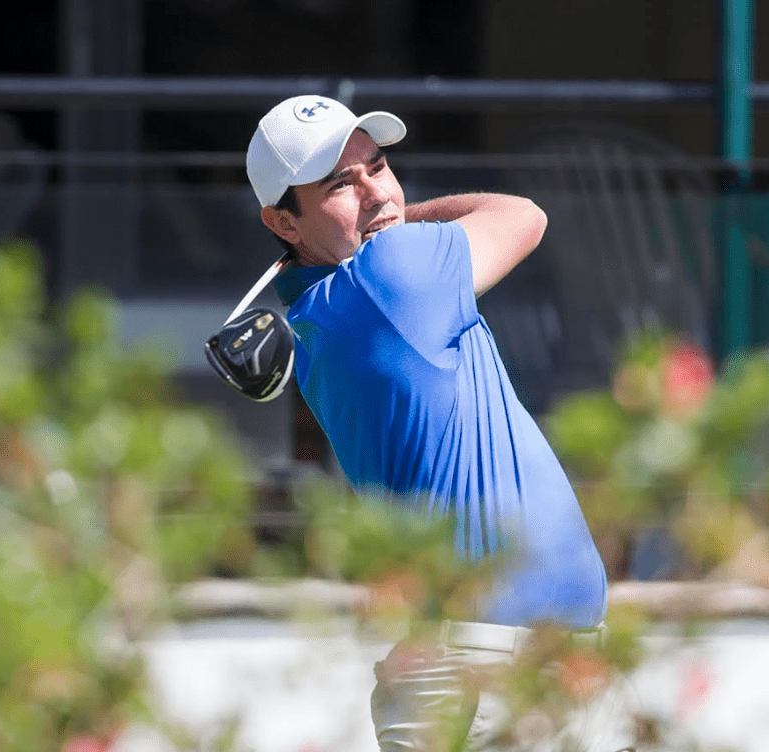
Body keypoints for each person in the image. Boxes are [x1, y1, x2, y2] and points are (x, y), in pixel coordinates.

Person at [246, 95, 613, 751]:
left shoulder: (321, 307)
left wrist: (382, 222)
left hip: (533, 661)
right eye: (340, 185)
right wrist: (403, 220)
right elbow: (522, 216)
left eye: (378, 168)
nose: (377, 193)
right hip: (482, 670)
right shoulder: (392, 276)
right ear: (283, 222)